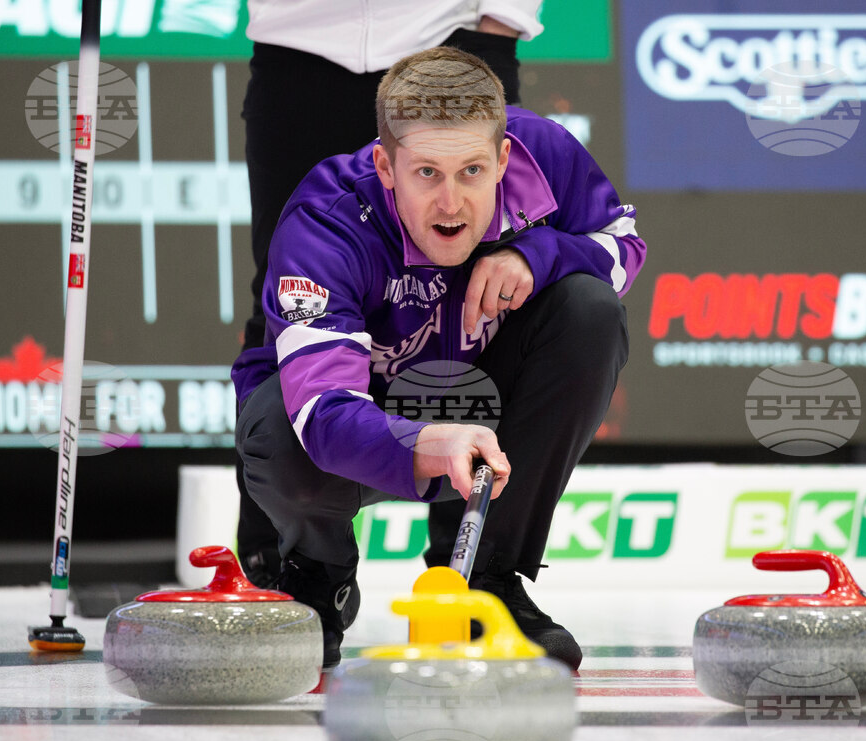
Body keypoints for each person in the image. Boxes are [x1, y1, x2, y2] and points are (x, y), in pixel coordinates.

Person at [232, 47, 645, 670]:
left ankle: (488, 578)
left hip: (482, 389)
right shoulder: (325, 220)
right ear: (385, 165)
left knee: (590, 311)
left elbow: (623, 246)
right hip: (361, 411)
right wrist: (426, 441)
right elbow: (322, 412)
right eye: (427, 173)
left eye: (472, 171)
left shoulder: (542, 151)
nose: (451, 203)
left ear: (504, 159)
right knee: (278, 430)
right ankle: (318, 574)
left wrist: (539, 256)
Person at [236, 0, 543, 601]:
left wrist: (500, 26)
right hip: (298, 46)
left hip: (451, 40)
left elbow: (615, 236)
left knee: (482, 288)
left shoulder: (541, 149)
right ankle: (288, 561)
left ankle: (474, 570)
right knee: (290, 292)